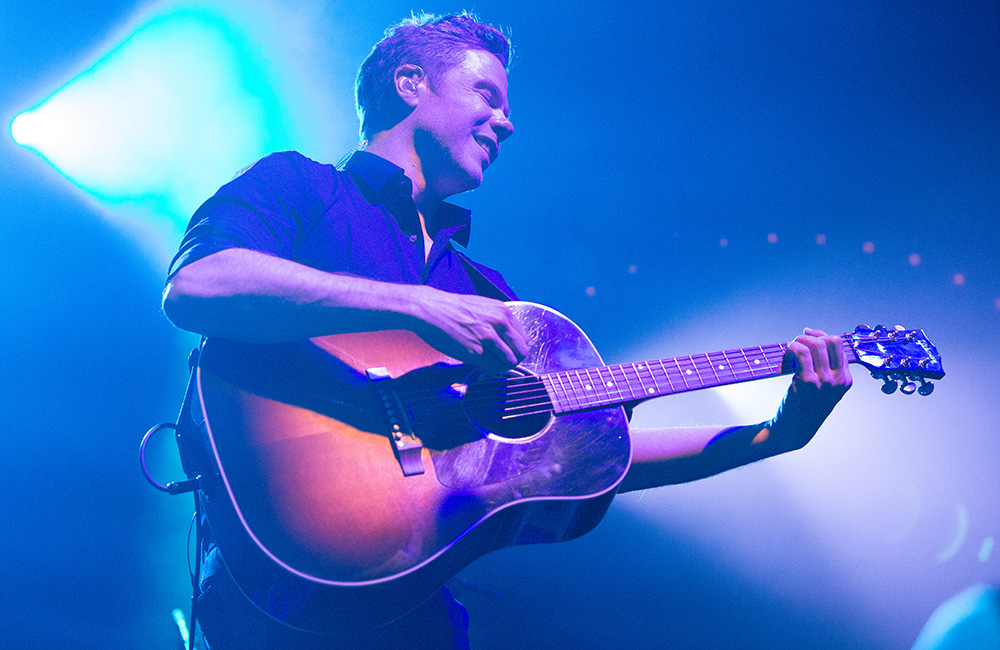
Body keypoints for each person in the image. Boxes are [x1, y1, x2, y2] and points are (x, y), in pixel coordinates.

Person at [161, 12, 852, 650]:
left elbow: (585, 462)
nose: (508, 123)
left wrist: (776, 435)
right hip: (272, 598)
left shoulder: (489, 297)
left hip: (418, 612)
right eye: (488, 95)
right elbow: (198, 286)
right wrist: (413, 305)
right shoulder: (302, 188)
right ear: (411, 85)